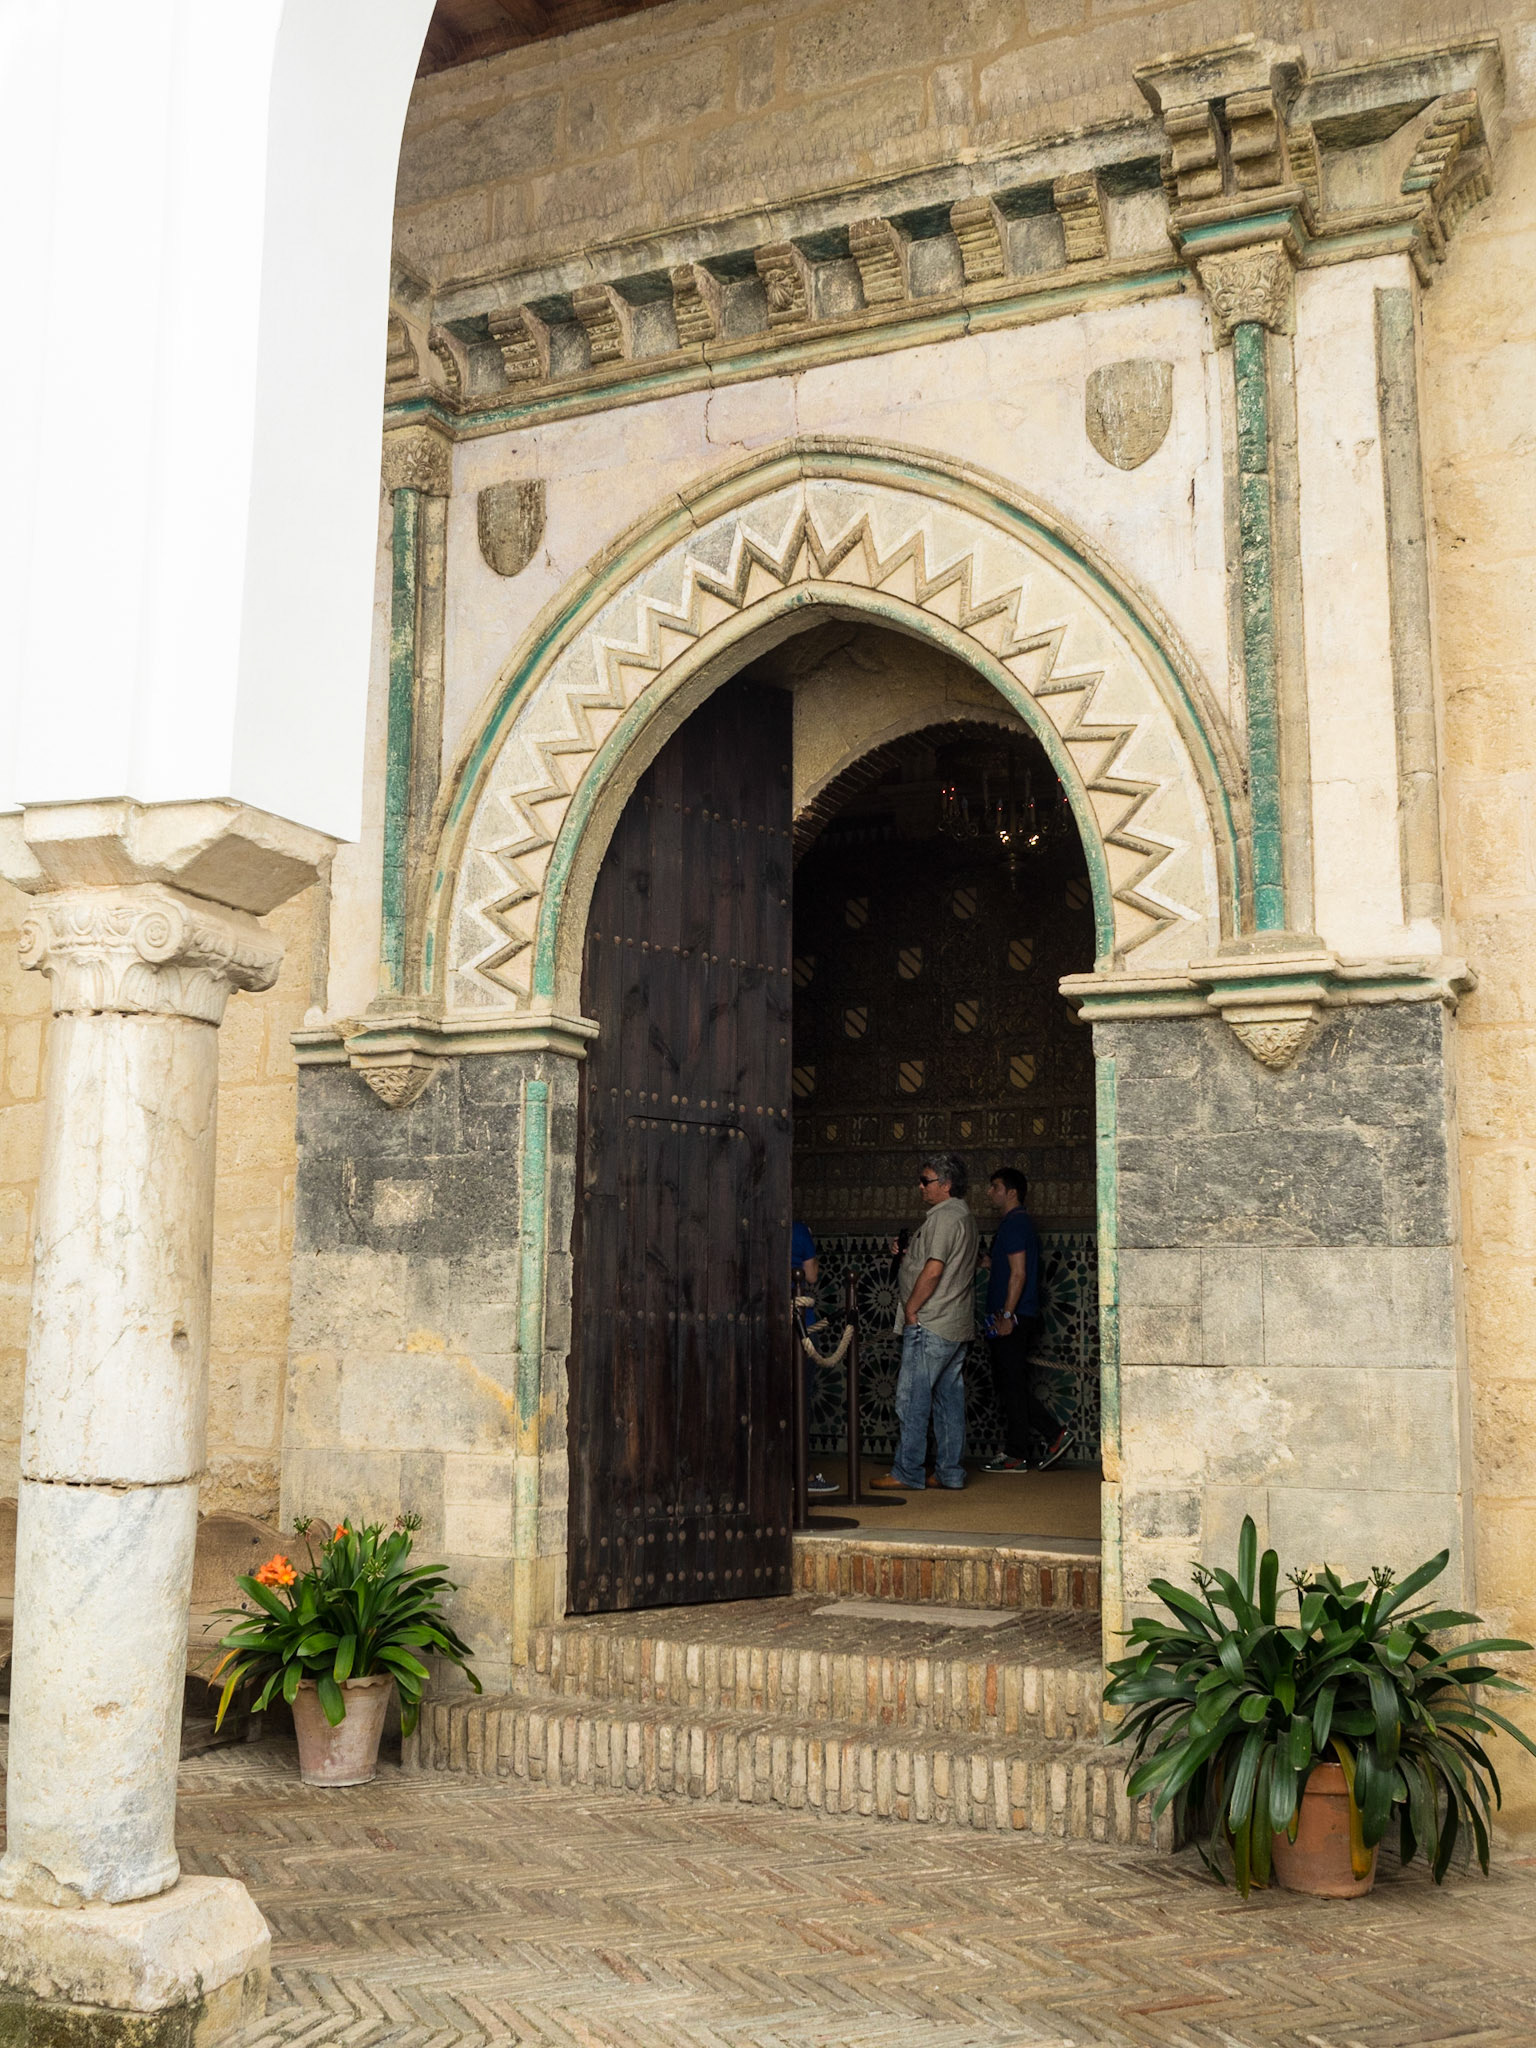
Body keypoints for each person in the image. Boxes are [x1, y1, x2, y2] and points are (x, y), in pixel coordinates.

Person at [871, 1153, 978, 1492]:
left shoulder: (946, 1218)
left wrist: (913, 1310)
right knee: (948, 1401)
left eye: (926, 1180)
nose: (920, 1186)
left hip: (931, 1322)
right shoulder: (961, 1216)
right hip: (954, 1322)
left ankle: (907, 1471)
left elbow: (934, 1270)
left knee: (911, 1399)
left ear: (945, 1185)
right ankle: (949, 1473)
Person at [981, 1167, 1067, 1473]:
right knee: (1009, 1385)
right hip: (1014, 1316)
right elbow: (1010, 1268)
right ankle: (1026, 1448)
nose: (990, 1192)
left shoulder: (1016, 1224)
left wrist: (1007, 1316)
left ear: (1012, 1192)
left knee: (1012, 1386)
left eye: (995, 1187)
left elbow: (1019, 1273)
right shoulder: (1014, 1225)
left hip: (1014, 1319)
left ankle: (1046, 1439)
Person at [792, 1221, 838, 1498]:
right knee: (799, 1403)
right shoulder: (799, 1230)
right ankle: (803, 1474)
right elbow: (810, 1276)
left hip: (761, 1325)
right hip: (799, 1328)